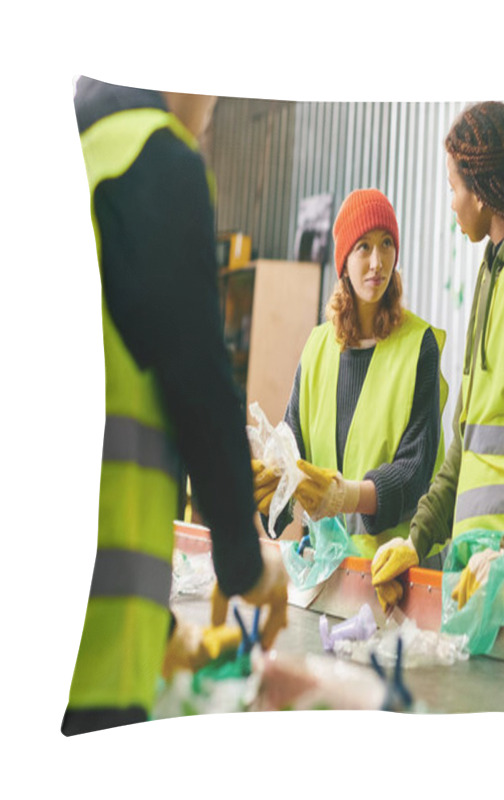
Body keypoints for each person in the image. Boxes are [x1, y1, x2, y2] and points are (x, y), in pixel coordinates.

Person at [62, 77, 288, 736]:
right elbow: (197, 376)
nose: (210, 114)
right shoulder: (152, 155)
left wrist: (164, 629)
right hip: (93, 654)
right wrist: (246, 563)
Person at [371, 101, 504, 611]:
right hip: (474, 575)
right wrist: (418, 537)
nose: (452, 204)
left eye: (454, 189)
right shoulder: (492, 270)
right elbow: (465, 444)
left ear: (483, 189)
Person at [252, 189, 447, 572]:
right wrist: (272, 496)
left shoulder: (418, 346)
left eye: (386, 244)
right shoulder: (318, 346)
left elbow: (415, 471)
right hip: (330, 573)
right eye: (363, 247)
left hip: (399, 573)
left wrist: (345, 496)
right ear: (343, 260)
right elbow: (293, 450)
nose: (377, 262)